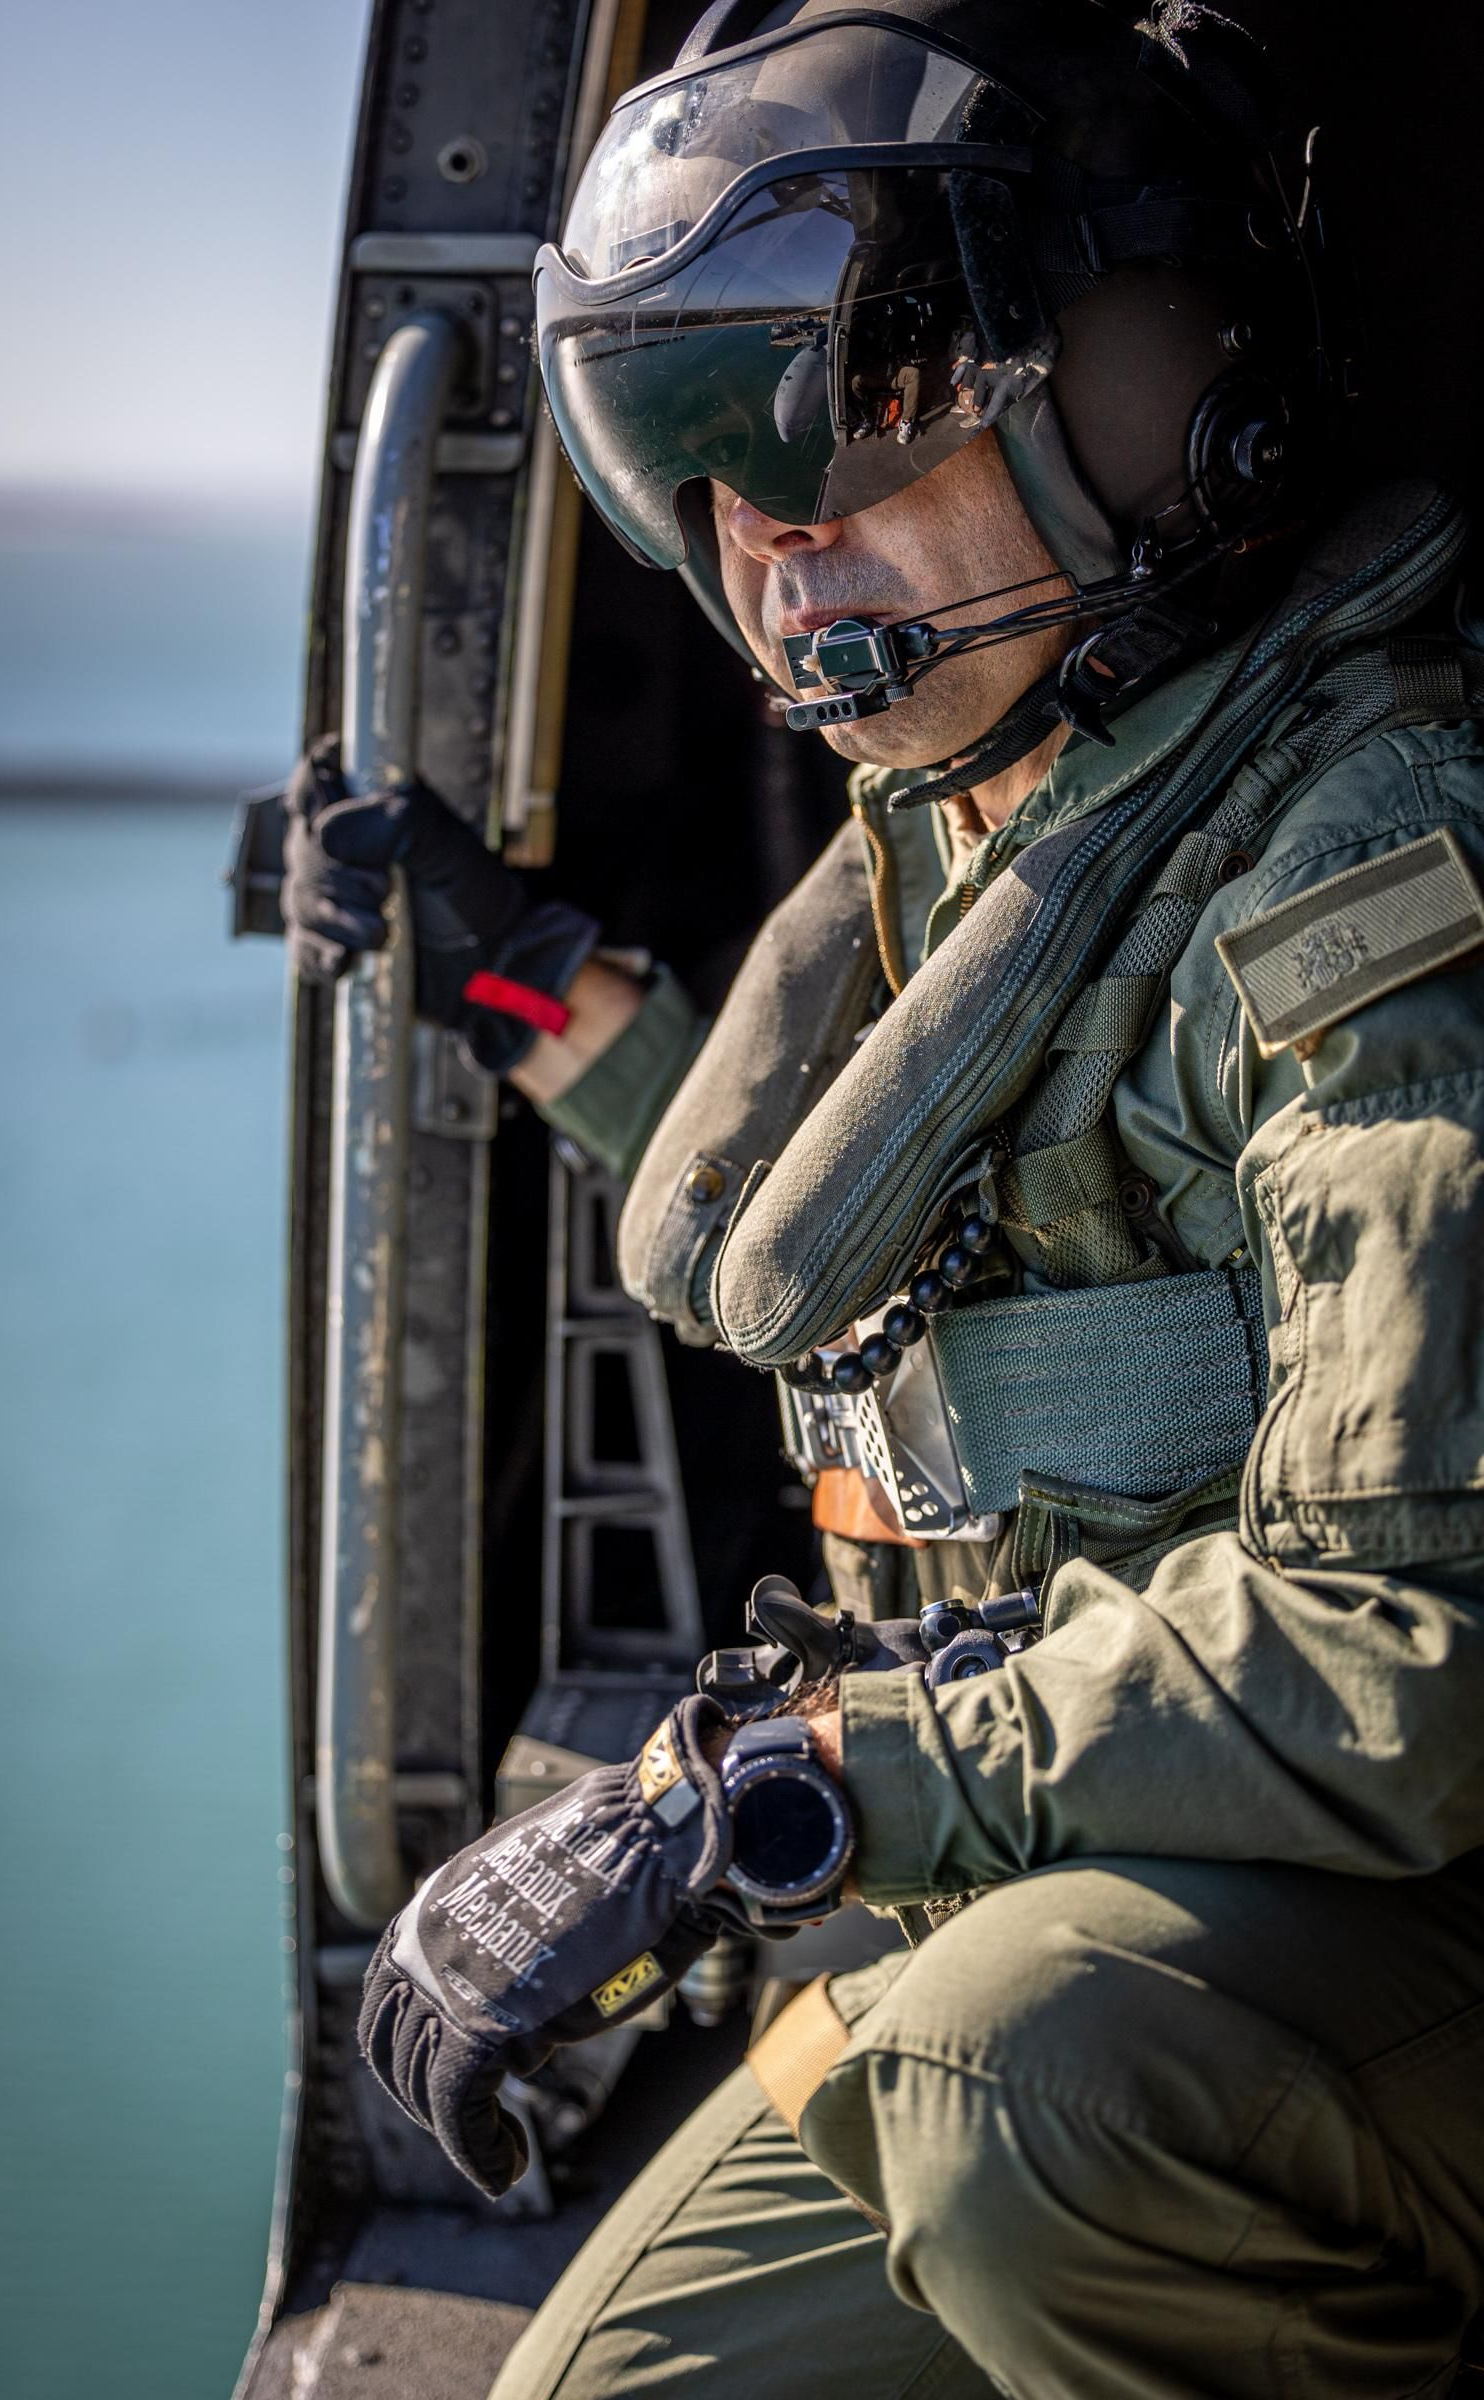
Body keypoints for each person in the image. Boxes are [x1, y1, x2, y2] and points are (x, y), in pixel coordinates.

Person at [286, 2, 1484, 2390]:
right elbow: (895, 1223)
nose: (769, 551)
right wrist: (508, 987)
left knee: (1004, 2083)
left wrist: (795, 1790)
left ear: (1133, 392)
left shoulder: (1365, 870)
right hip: (1096, 1893)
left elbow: (1410, 1662)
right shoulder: (993, 812)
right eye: (689, 474)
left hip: (1361, 1895)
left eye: (813, 434)